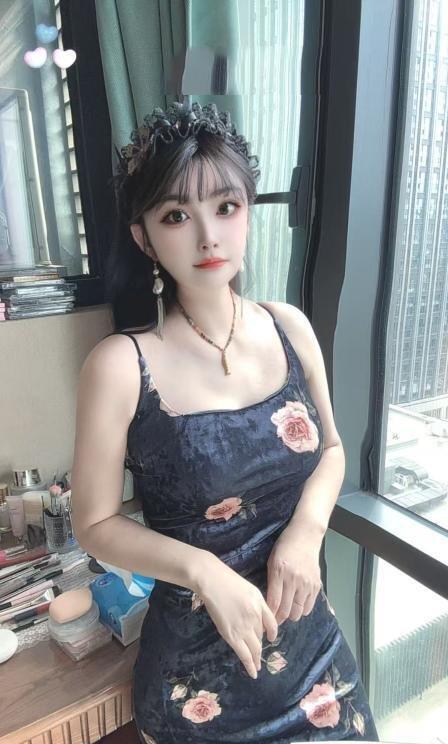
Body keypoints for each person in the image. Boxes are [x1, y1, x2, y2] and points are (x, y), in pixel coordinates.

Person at [70, 101, 379, 743]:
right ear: (144, 237)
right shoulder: (122, 365)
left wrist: (305, 533)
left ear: (248, 212)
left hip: (314, 657)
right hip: (198, 685)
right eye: (176, 216)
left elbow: (331, 449)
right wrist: (205, 571)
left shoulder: (289, 327)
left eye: (227, 206)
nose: (208, 236)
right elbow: (93, 524)